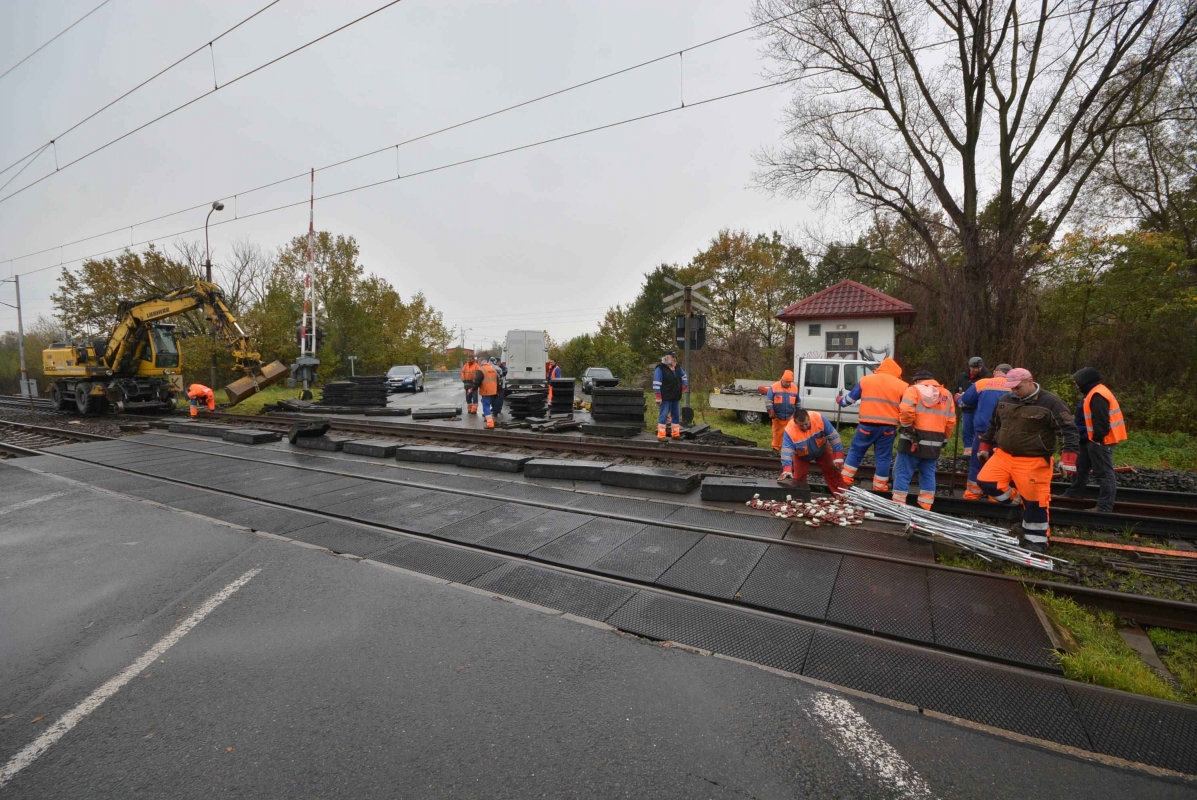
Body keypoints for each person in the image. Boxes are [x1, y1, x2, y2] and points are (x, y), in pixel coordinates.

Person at [977, 368, 1080, 552]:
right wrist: (985, 446)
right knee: (987, 482)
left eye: (1018, 387)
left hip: (1034, 460)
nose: (1014, 391)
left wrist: (1069, 459)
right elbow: (994, 425)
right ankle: (1018, 502)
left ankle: (1037, 542)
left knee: (1036, 501)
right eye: (1012, 388)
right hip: (1004, 455)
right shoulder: (1005, 400)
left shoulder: (1051, 403)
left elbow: (1068, 431)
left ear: (1030, 381)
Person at [836, 356, 908, 491]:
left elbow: (848, 400)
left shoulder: (866, 380)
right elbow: (907, 409)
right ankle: (880, 487)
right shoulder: (902, 386)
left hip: (866, 426)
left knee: (856, 452)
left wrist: (840, 400)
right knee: (883, 457)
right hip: (888, 428)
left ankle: (844, 481)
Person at [1064, 367, 1126, 512]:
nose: (1076, 385)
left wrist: (1097, 439)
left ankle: (1104, 506)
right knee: (1081, 466)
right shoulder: (1094, 392)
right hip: (1092, 439)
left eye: (1077, 382)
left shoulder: (1098, 394)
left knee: (1103, 472)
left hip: (1101, 441)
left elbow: (1101, 421)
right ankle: (1074, 493)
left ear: (1085, 381)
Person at [892, 370, 955, 510]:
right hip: (935, 440)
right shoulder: (947, 394)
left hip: (913, 440)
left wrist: (908, 427)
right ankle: (925, 505)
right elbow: (951, 421)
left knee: (903, 472)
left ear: (916, 381)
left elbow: (906, 410)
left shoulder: (913, 390)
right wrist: (945, 438)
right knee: (928, 473)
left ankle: (898, 505)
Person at [959, 364, 1011, 499]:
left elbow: (966, 401)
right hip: (1007, 433)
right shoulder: (1015, 386)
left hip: (983, 431)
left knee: (977, 463)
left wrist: (958, 397)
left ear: (995, 372)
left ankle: (972, 495)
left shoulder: (982, 383)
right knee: (1000, 466)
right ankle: (995, 497)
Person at [779, 409, 847, 494]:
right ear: (795, 423)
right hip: (801, 455)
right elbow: (786, 450)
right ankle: (799, 498)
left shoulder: (819, 418)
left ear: (809, 419)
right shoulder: (790, 430)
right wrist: (787, 469)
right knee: (799, 478)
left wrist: (838, 457)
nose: (804, 427)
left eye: (806, 424)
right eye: (801, 426)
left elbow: (834, 437)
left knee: (833, 472)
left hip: (822, 450)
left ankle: (842, 495)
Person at [955, 357, 991, 456]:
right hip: (966, 408)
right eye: (973, 367)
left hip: (979, 408)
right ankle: (968, 451)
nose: (975, 370)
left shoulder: (987, 377)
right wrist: (957, 398)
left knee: (978, 429)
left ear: (981, 366)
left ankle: (978, 450)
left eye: (978, 367)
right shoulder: (962, 376)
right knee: (966, 430)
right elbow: (957, 390)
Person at [652, 351, 688, 441]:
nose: (674, 359)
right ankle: (661, 435)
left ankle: (675, 434)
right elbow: (656, 383)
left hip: (676, 396)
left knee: (676, 415)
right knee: (663, 415)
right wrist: (658, 396)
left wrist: (683, 386)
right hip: (665, 396)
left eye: (675, 357)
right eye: (672, 357)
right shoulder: (660, 368)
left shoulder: (678, 367)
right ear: (667, 357)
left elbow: (684, 377)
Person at [766, 369, 800, 452]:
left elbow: (798, 402)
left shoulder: (794, 387)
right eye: (786, 382)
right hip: (777, 416)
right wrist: (771, 412)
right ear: (782, 379)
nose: (788, 384)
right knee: (777, 433)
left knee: (791, 433)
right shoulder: (774, 387)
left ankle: (789, 449)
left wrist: (799, 414)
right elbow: (768, 401)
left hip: (790, 416)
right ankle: (776, 448)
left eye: (789, 382)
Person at [474, 358, 501, 429]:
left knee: (486, 406)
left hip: (486, 391)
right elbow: (497, 380)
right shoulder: (493, 369)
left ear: (481, 363)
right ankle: (489, 418)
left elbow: (477, 381)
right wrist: (497, 390)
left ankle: (490, 423)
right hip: (493, 390)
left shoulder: (481, 370)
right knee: (489, 405)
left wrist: (472, 389)